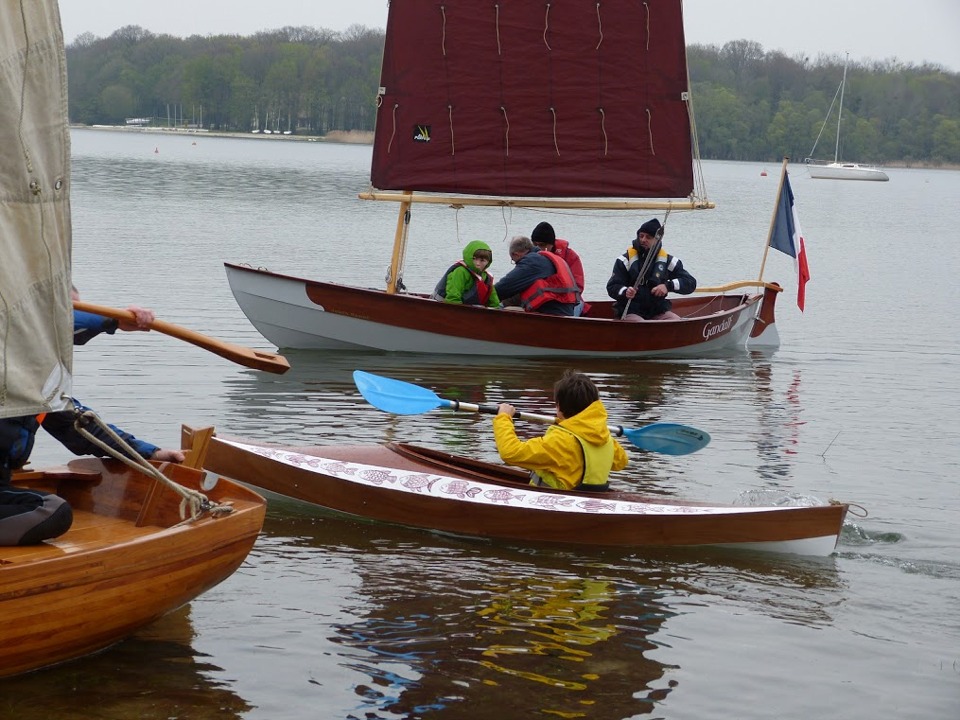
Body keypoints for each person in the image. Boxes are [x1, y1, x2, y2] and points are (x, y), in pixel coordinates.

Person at [493, 370, 629, 491]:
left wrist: (503, 417)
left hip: (548, 506)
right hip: (588, 504)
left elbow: (510, 453)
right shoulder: (606, 438)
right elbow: (621, 462)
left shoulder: (559, 441)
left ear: (558, 406)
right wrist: (568, 424)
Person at [606, 218, 696, 321]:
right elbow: (612, 286)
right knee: (640, 324)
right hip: (631, 310)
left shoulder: (669, 262)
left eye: (648, 237)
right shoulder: (624, 260)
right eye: (641, 236)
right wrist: (625, 291)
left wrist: (668, 286)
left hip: (657, 310)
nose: (643, 240)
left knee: (675, 321)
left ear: (657, 240)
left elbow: (690, 283)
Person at [493, 236, 579, 316]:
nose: (515, 264)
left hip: (552, 313)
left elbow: (505, 286)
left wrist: (485, 295)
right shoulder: (544, 258)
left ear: (516, 254)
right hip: (564, 310)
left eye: (513, 260)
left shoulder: (532, 262)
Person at [531, 221, 588, 317]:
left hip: (570, 302)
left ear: (551, 244)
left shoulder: (570, 256)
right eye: (535, 244)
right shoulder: (530, 257)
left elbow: (578, 287)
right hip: (541, 301)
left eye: (542, 245)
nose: (538, 248)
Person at [431, 240, 501, 307]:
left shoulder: (486, 277)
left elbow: (493, 300)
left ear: (488, 262)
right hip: (443, 307)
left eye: (482, 260)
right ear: (469, 257)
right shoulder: (460, 272)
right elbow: (453, 295)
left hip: (471, 310)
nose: (478, 263)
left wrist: (496, 311)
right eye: (474, 259)